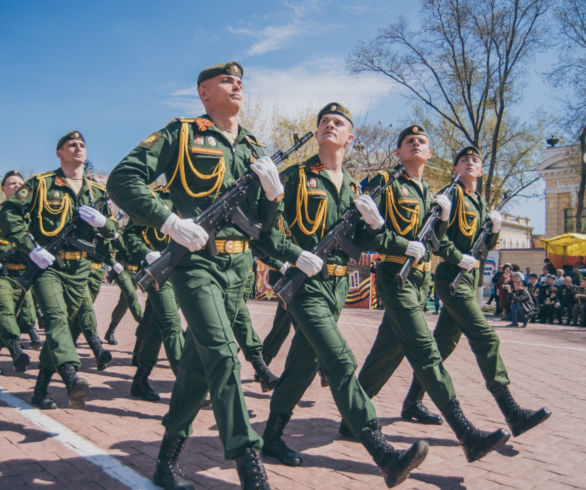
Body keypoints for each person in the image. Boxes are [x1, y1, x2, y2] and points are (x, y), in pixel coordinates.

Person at [107, 61, 311, 489]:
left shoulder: (254, 149)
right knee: (222, 355)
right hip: (196, 263)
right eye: (226, 80)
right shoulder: (182, 133)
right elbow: (124, 179)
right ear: (203, 92)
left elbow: (265, 232)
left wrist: (274, 198)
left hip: (239, 269)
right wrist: (168, 220)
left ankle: (167, 461)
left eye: (240, 81)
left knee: (199, 368)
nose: (237, 84)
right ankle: (249, 462)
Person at [261, 104, 428, 488]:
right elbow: (266, 231)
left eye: (338, 123)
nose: (329, 126)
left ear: (350, 137)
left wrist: (379, 226)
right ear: (317, 133)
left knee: (302, 366)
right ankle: (382, 451)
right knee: (340, 360)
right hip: (305, 285)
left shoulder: (355, 188)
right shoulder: (297, 176)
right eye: (324, 122)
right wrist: (285, 260)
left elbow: (369, 241)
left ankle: (270, 436)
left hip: (337, 287)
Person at [350, 129, 512, 464]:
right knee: (425, 351)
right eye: (408, 141)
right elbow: (361, 234)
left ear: (430, 152)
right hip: (396, 277)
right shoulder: (385, 184)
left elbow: (438, 242)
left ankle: (352, 417)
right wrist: (388, 238)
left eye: (422, 141)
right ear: (398, 153)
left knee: (388, 352)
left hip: (421, 281)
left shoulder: (432, 195)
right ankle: (466, 432)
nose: (416, 143)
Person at [0, 131, 117, 409]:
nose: (77, 148)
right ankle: (70, 375)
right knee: (56, 320)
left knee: (61, 330)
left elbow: (113, 231)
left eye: (81, 145)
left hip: (81, 268)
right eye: (70, 145)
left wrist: (104, 223)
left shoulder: (97, 192)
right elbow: (9, 213)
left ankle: (40, 390)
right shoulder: (42, 183)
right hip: (49, 265)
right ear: (59, 153)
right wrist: (31, 248)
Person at [122, 186, 185, 402]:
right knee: (171, 324)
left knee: (156, 327)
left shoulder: (199, 197)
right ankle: (188, 384)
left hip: (184, 272)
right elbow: (130, 233)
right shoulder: (154, 197)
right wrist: (146, 253)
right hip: (159, 271)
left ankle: (140, 379)